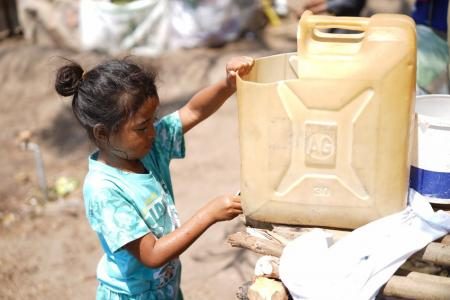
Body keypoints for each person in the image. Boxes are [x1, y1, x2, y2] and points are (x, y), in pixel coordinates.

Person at [54, 55, 254, 299]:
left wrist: (228, 85)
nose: (152, 132)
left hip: (165, 289)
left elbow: (193, 111)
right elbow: (152, 254)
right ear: (103, 133)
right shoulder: (104, 190)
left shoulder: (148, 148)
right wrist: (209, 214)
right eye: (141, 127)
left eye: (153, 121)